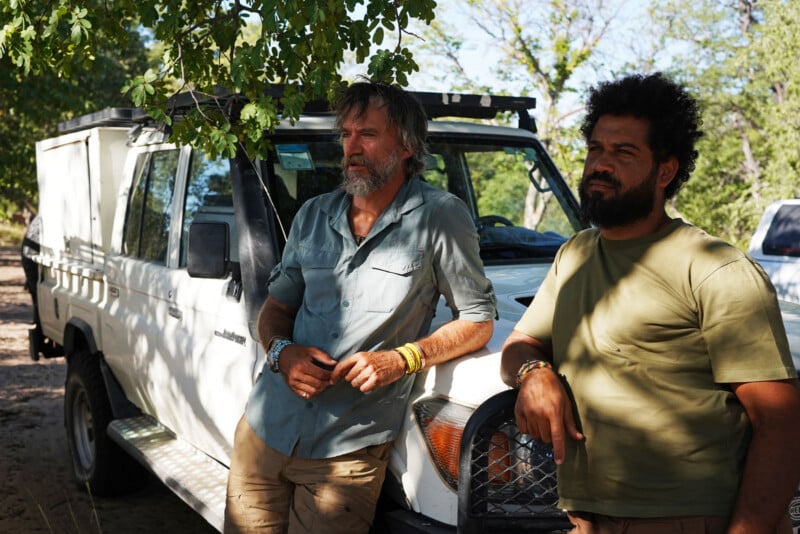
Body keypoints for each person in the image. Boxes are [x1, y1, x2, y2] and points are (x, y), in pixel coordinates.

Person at [501, 73, 800, 533]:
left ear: (665, 171)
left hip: (689, 518)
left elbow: (781, 423)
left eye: (624, 153)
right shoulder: (575, 254)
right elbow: (520, 344)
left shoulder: (712, 268)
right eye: (596, 149)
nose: (600, 165)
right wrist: (533, 375)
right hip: (586, 517)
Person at [224, 81, 496, 533]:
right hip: (264, 428)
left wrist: (401, 359)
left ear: (407, 145)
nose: (351, 146)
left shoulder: (440, 216)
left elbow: (477, 320)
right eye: (347, 134)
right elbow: (275, 308)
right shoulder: (313, 214)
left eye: (367, 134)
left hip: (347, 450)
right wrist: (281, 352)